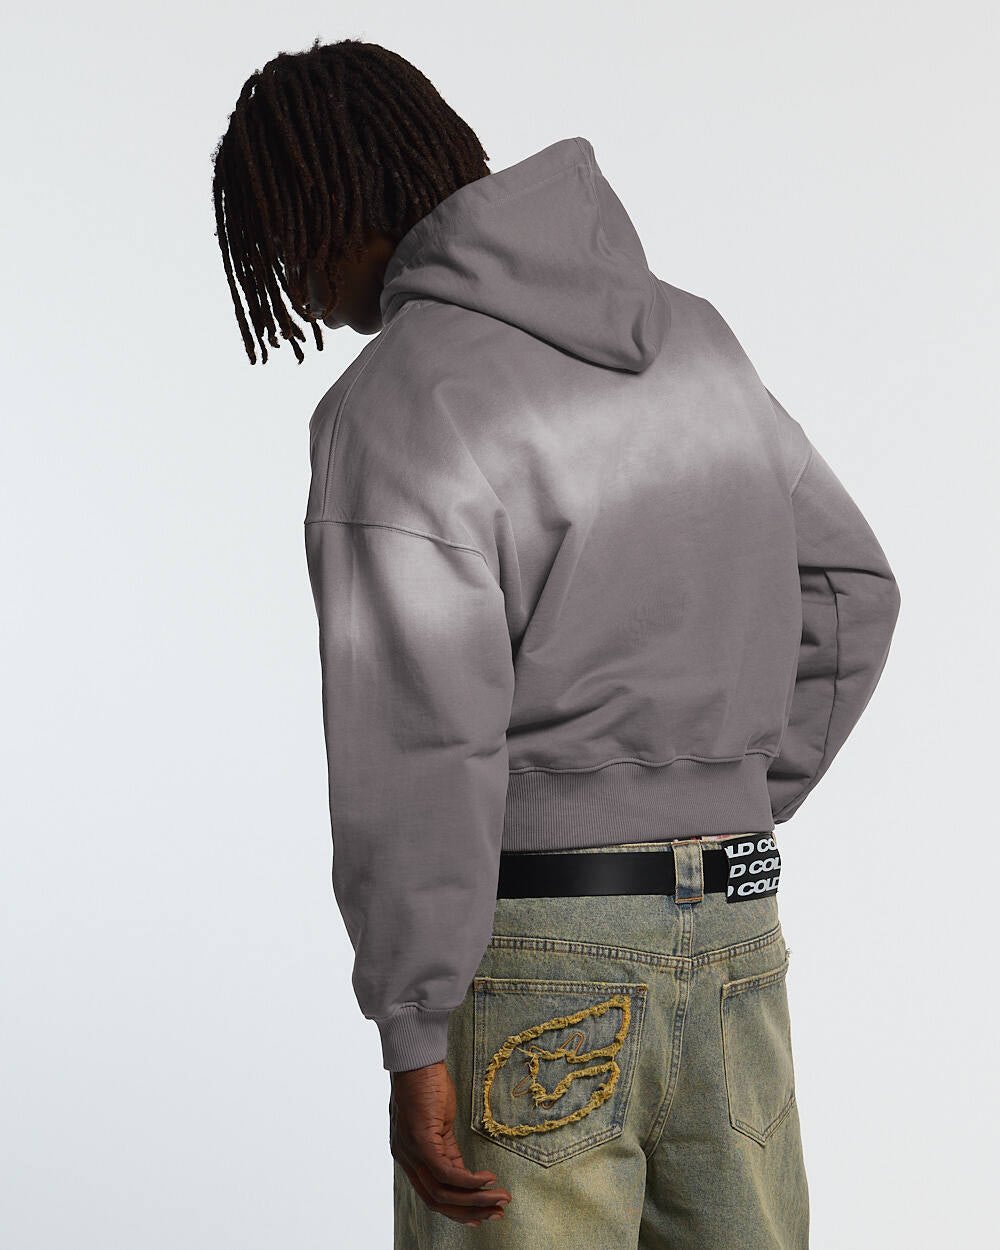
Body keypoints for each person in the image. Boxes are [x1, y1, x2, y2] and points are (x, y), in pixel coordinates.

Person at [211, 37, 902, 1249]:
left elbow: (417, 741)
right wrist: (715, 797)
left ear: (339, 212)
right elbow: (850, 590)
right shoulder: (694, 343)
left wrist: (413, 1029)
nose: (303, 296)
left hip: (537, 950)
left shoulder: (399, 401)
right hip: (735, 926)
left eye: (284, 247)